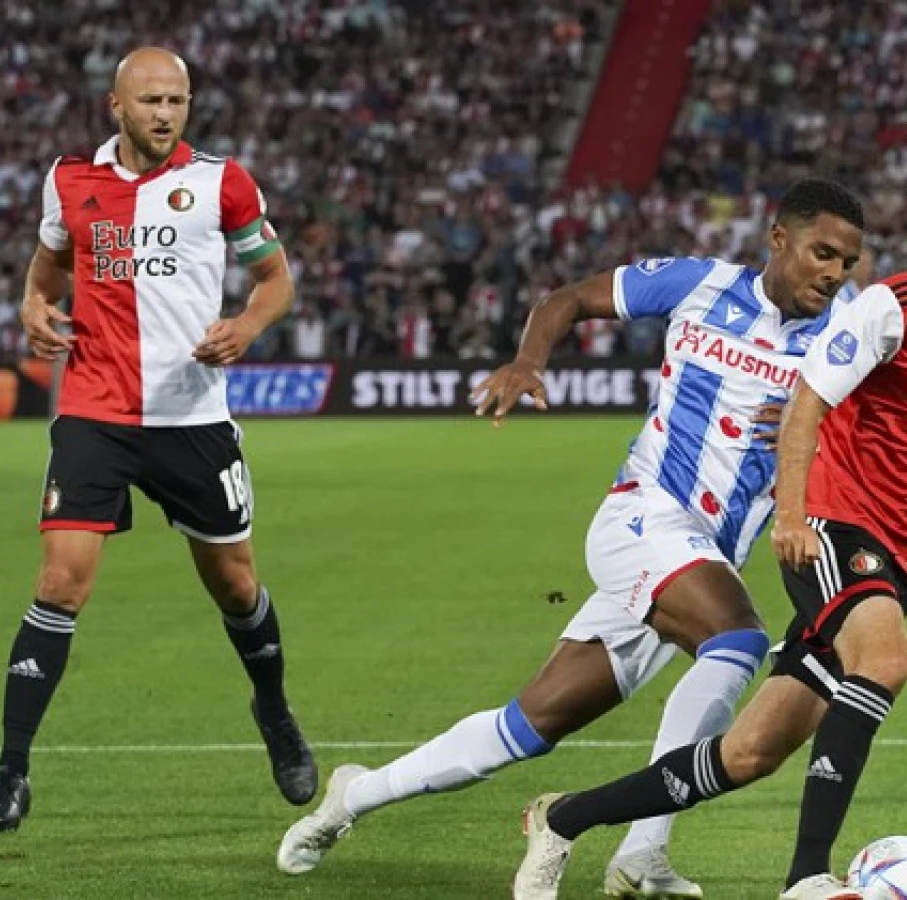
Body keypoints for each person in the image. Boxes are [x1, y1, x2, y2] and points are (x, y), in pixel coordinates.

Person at [511, 188, 907, 900]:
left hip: (904, 557)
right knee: (886, 659)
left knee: (752, 752)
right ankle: (808, 879)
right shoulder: (896, 306)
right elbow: (807, 401)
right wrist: (791, 514)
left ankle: (563, 819)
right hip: (831, 522)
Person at [277, 179, 866, 899]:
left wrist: (828, 429)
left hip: (700, 559)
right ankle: (637, 846)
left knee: (528, 726)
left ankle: (354, 797)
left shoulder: (846, 335)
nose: (835, 273)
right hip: (642, 519)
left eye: (848, 261)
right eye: (823, 253)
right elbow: (565, 301)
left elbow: (874, 429)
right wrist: (530, 362)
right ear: (779, 239)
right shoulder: (701, 285)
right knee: (738, 642)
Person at [0, 48, 313, 833]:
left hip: (192, 418)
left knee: (234, 586)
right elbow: (50, 264)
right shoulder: (70, 182)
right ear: (115, 107)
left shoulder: (222, 182)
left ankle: (274, 710)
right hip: (95, 414)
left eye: (177, 100)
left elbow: (277, 277)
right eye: (151, 100)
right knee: (60, 582)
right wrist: (31, 302)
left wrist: (247, 326)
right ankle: (10, 772)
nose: (165, 113)